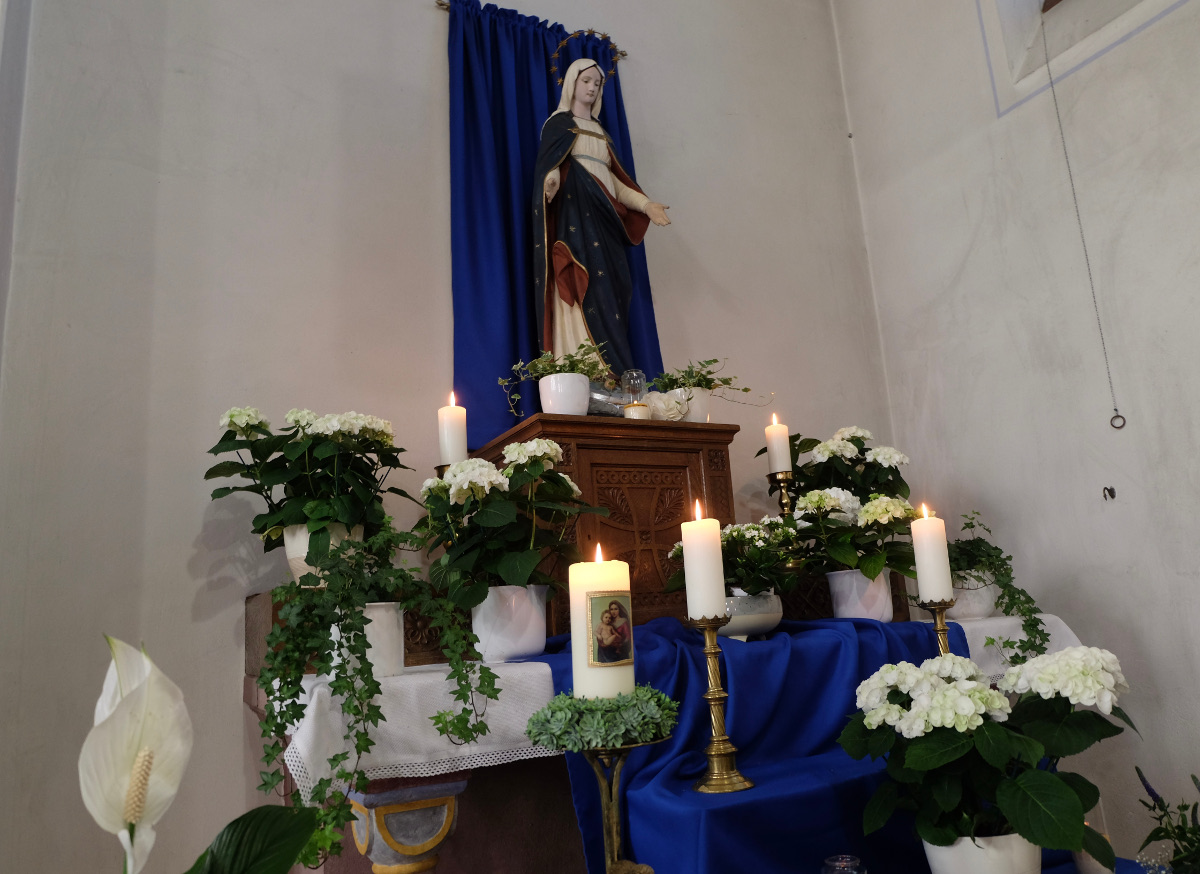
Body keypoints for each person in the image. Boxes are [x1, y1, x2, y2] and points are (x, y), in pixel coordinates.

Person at [531, 58, 670, 378]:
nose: (592, 88)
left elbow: (618, 184)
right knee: (581, 285)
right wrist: (550, 180)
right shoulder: (558, 124)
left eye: (598, 83)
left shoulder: (602, 134)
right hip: (575, 222)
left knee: (613, 293)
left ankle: (613, 376)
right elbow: (549, 166)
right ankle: (583, 369)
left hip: (607, 225)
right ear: (571, 84)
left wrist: (646, 205)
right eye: (587, 81)